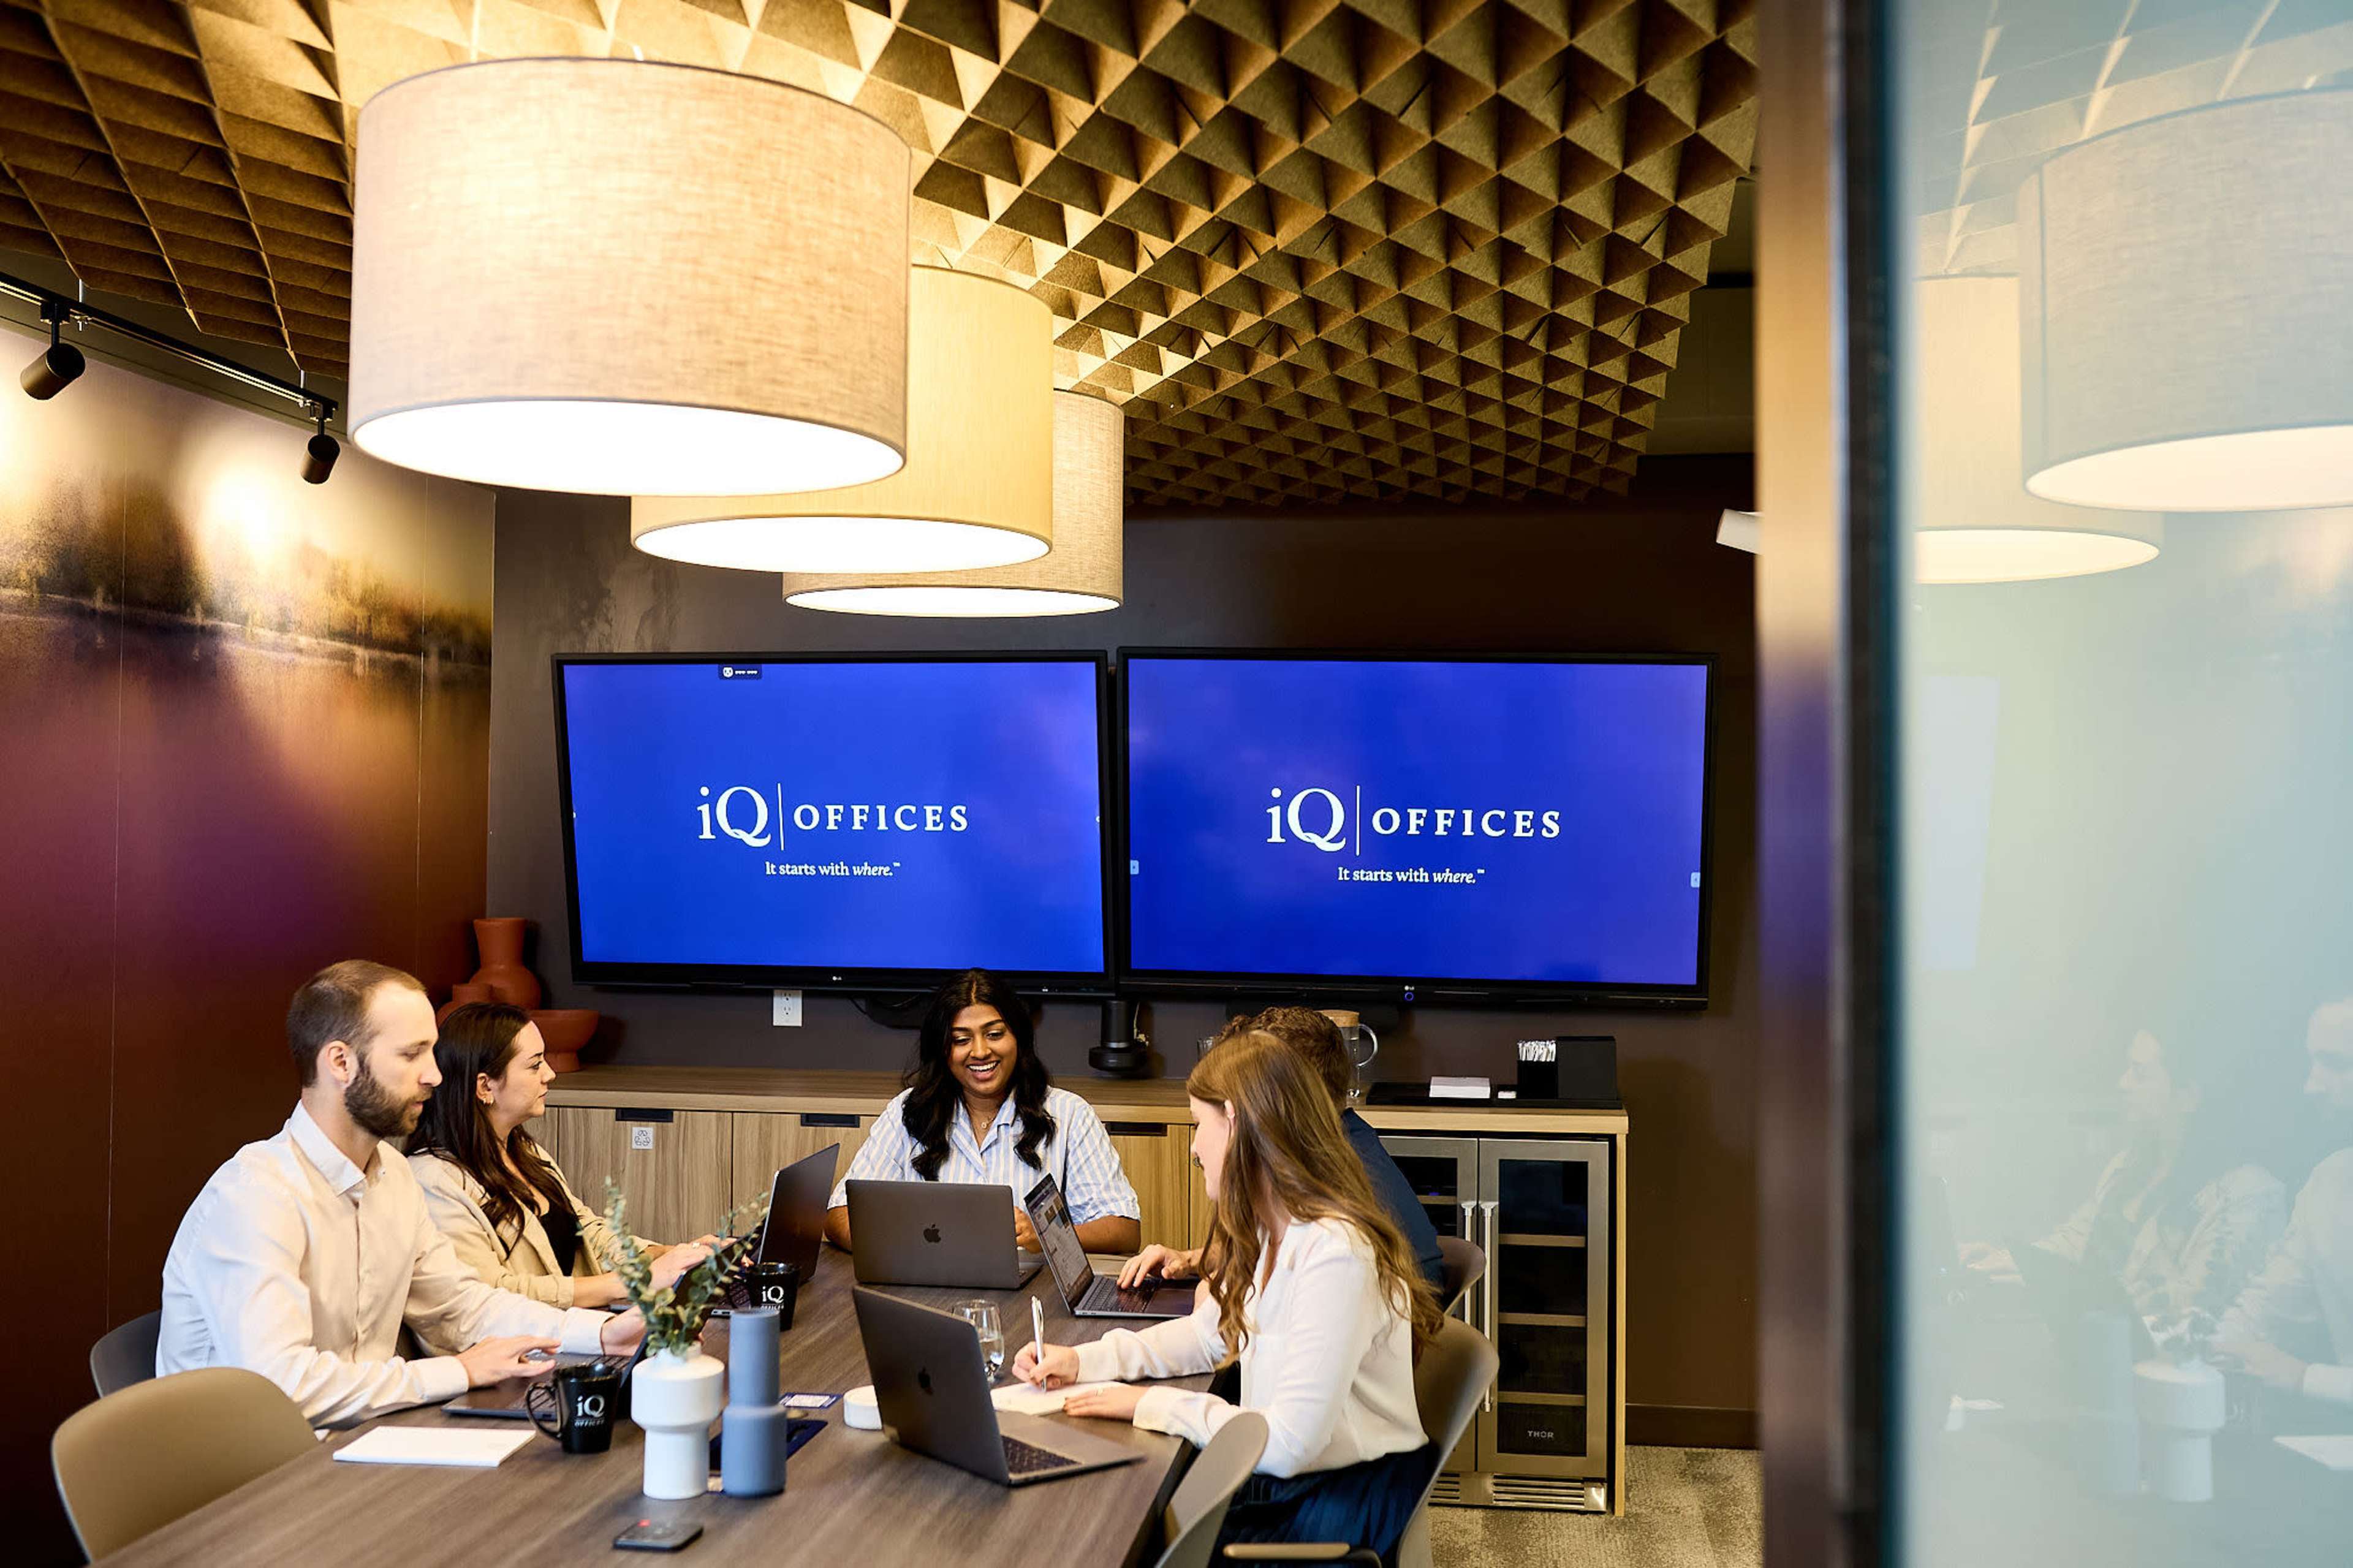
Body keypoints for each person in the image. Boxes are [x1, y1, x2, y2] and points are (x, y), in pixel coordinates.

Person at [157, 961, 646, 1426]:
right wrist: (459, 1371)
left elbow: (459, 1305)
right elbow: (281, 1388)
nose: (435, 1074)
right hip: (263, 1470)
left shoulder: (392, 1175)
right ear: (341, 1062)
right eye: (412, 1054)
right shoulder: (254, 1197)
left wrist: (601, 1334)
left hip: (361, 1441)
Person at [1015, 1029, 1442, 1561]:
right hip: (1289, 1469)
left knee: (1135, 1535)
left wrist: (1151, 1403)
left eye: (1199, 1124)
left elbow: (1289, 1445)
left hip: (1342, 1490)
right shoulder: (1270, 1224)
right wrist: (1086, 1361)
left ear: (1235, 1122)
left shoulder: (1336, 1253)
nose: (1194, 1147)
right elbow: (1209, 1337)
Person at [1959, 1028, 2284, 1324]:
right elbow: (2078, 1241)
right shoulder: (2129, 1164)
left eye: (2139, 1074)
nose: (2123, 1083)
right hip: (2097, 1344)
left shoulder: (2247, 1195)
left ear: (2187, 1096)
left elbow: (2198, 1309)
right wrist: (2009, 1260)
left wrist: (2081, 1294)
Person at [1118, 1007, 1447, 1293]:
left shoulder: (1329, 1199)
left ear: (1280, 1095)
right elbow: (1260, 1248)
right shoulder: (1331, 1144)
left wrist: (1212, 1298)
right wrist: (1191, 1260)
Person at [407, 1002, 713, 1307]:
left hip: (578, 1326)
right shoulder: (434, 1181)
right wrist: (630, 1282)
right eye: (535, 1065)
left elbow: (588, 1235)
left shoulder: (525, 1151)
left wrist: (674, 1256)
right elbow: (491, 1295)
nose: (550, 1074)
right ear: (485, 1086)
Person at [824, 969, 1140, 1254]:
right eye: (961, 1039)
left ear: (1018, 1038)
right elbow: (839, 1215)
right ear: (943, 1050)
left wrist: (1047, 1236)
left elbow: (1123, 1230)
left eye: (994, 1034)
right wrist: (908, 1245)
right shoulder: (908, 1112)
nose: (980, 1052)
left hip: (1035, 1293)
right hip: (925, 1290)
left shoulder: (1069, 1115)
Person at [2213, 999, 2353, 1401]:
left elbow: (2291, 1372)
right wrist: (2179, 1344)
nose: (2311, 1086)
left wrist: (2305, 1377)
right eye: (2313, 1062)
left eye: (2336, 1064)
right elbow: (2261, 1316)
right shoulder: (2329, 1183)